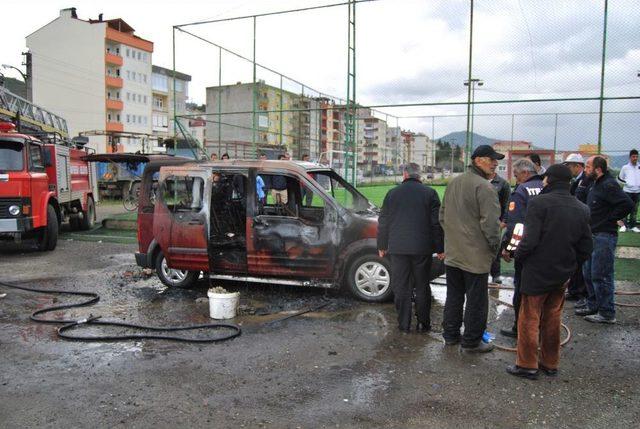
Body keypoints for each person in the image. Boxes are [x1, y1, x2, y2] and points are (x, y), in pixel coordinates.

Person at [506, 164, 592, 379]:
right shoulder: (582, 208)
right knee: (553, 318)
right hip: (562, 273)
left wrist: (519, 257)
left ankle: (527, 364)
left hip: (537, 270)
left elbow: (529, 240)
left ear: (550, 180)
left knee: (529, 317)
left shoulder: (539, 204)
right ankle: (550, 362)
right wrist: (571, 266)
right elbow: (586, 246)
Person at [439, 145, 502, 353]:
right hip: (475, 257)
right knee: (476, 301)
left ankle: (450, 336)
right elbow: (491, 226)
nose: (495, 163)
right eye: (491, 159)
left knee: (454, 296)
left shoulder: (454, 183)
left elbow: (442, 216)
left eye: (496, 160)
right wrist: (494, 249)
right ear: (477, 160)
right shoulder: (485, 187)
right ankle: (472, 341)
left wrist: (455, 238)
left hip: (454, 254)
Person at [378, 163, 444, 333]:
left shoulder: (392, 194)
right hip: (422, 248)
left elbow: (383, 221)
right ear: (419, 175)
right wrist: (440, 248)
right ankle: (423, 323)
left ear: (405, 174)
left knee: (401, 287)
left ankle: (404, 324)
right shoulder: (430, 193)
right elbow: (436, 223)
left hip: (398, 248)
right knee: (422, 285)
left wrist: (382, 245)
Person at [576, 156, 633, 324]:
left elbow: (627, 204)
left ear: (598, 169)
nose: (585, 170)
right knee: (588, 272)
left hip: (604, 236)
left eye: (587, 167)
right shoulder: (595, 183)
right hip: (592, 234)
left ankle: (607, 312)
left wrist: (610, 219)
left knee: (601, 274)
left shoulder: (609, 185)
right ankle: (593, 304)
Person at [500, 158, 544, 338]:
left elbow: (516, 226)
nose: (516, 179)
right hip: (546, 248)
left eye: (517, 175)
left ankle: (520, 328)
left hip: (526, 249)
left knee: (522, 289)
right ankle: (539, 327)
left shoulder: (521, 191)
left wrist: (509, 249)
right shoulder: (545, 187)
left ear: (525, 173)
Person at [563, 153, 590, 302]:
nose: (568, 168)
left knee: (581, 260)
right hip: (576, 223)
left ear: (578, 166)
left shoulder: (586, 180)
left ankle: (581, 292)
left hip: (582, 224)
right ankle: (574, 289)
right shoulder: (577, 181)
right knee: (574, 259)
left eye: (569, 166)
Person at [489, 171, 511, 284]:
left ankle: (496, 274)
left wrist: (504, 222)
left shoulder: (502, 184)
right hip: (477, 222)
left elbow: (507, 204)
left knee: (495, 248)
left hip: (496, 223)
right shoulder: (477, 182)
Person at [617, 149, 640, 233]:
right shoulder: (625, 167)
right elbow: (619, 179)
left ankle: (633, 226)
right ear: (630, 157)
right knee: (625, 209)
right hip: (627, 191)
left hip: (637, 192)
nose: (635, 158)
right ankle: (623, 226)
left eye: (637, 156)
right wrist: (627, 183)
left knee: (634, 210)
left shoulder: (639, 166)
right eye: (633, 156)